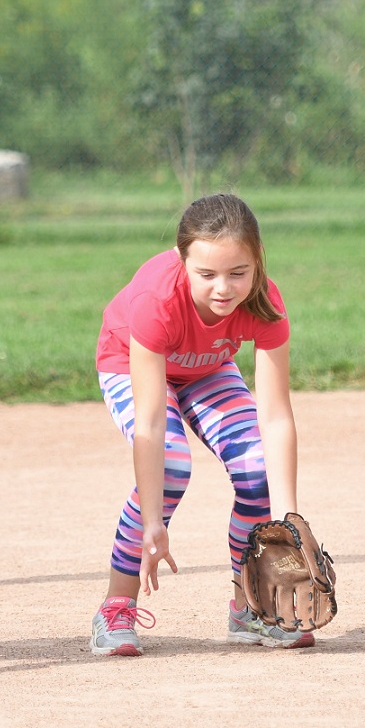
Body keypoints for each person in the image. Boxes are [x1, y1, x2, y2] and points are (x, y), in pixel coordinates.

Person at [88, 193, 315, 655]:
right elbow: (150, 423)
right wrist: (153, 520)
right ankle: (116, 606)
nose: (223, 289)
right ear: (181, 259)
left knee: (257, 469)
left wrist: (289, 521)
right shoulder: (158, 298)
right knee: (170, 466)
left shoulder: (266, 302)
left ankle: (249, 609)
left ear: (258, 261)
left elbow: (274, 416)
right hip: (128, 362)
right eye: (206, 274)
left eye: (238, 273)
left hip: (207, 368)